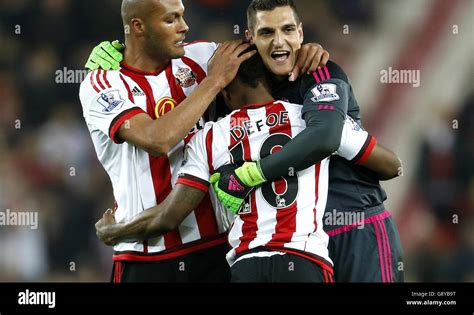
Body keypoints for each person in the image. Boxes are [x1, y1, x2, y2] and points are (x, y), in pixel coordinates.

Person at [80, 0, 330, 282]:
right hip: (145, 256)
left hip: (216, 248)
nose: (184, 27)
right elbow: (156, 140)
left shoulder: (203, 57)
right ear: (138, 26)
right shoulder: (103, 84)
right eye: (171, 19)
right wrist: (213, 82)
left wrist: (304, 51)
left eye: (182, 15)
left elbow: (269, 57)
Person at [95, 50, 387, 282]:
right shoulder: (313, 119)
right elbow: (391, 165)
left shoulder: (209, 137)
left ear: (226, 92)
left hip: (247, 266)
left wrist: (116, 232)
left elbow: (169, 218)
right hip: (304, 262)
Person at [210, 0, 405, 282]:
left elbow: (327, 137)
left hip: (356, 225)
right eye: (267, 32)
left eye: (288, 30)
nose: (279, 41)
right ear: (250, 38)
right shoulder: (242, 90)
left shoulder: (319, 73)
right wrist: (124, 59)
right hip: (302, 245)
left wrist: (250, 175)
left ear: (300, 33)